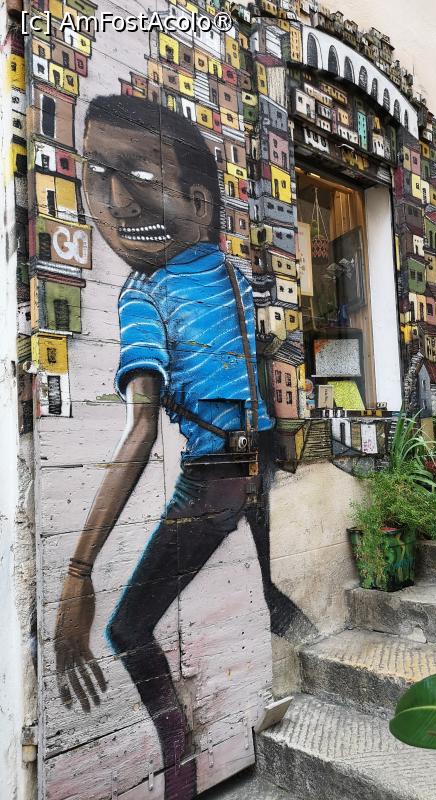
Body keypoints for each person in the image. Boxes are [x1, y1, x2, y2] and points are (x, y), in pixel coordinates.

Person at [53, 94, 314, 800]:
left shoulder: (150, 294)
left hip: (220, 474)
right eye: (97, 174)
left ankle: (178, 759)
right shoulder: (220, 277)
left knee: (128, 630)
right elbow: (259, 368)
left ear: (200, 202)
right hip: (252, 462)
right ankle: (300, 650)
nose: (112, 200)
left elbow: (144, 430)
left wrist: (78, 572)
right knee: (267, 592)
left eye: (135, 175)